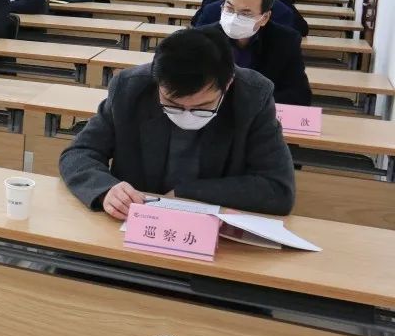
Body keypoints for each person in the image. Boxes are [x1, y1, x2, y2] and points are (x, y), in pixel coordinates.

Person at [59, 28, 295, 218]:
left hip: (210, 235)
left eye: (202, 107)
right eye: (172, 104)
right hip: (132, 224)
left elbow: (278, 188)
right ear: (156, 81)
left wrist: (187, 193)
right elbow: (79, 153)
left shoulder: (253, 97)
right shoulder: (130, 89)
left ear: (228, 82)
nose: (186, 114)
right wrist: (106, 189)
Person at [196, 0, 311, 106]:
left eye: (245, 13)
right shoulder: (202, 38)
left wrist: (248, 103)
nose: (233, 19)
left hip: (260, 113)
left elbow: (300, 95)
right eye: (229, 9)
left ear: (264, 18)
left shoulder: (286, 41)